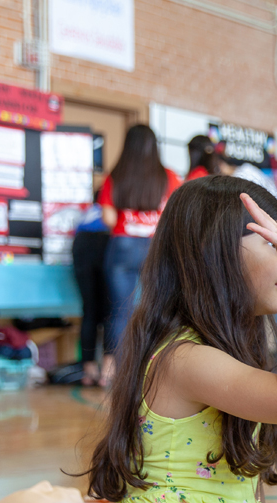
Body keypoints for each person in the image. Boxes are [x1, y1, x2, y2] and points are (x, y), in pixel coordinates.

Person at [79, 176, 277, 503]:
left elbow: (243, 486)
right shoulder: (185, 359)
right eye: (274, 243)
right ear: (215, 255)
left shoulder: (220, 350)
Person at [98, 125, 183, 387]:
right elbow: (174, 215)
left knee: (120, 311)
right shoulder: (168, 176)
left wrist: (129, 221)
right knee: (156, 309)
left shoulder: (117, 175)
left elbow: (108, 217)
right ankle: (152, 369)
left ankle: (111, 372)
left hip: (122, 246)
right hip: (155, 249)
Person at [72, 176, 111, 386]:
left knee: (89, 312)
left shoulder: (85, 216)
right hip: (104, 245)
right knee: (110, 313)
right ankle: (107, 370)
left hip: (81, 249)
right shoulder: (110, 215)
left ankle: (88, 369)